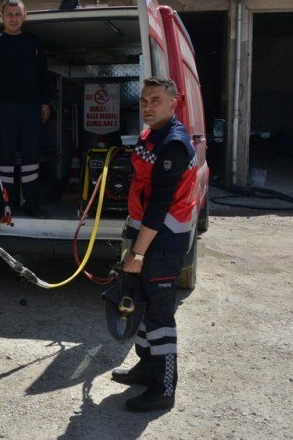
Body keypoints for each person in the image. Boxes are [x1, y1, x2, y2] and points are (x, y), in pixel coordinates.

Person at [111, 76, 198, 412]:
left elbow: (160, 206)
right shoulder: (150, 135)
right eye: (145, 101)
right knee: (143, 304)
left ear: (174, 102)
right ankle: (146, 368)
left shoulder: (173, 145)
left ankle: (163, 388)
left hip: (163, 241)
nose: (148, 107)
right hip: (146, 233)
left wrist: (138, 253)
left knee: (161, 316)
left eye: (156, 100)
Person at [0, 0, 50, 217]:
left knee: (31, 157)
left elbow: (43, 76)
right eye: (9, 14)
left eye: (18, 14)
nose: (14, 19)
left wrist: (46, 102)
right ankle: (4, 205)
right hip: (4, 109)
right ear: (2, 17)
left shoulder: (34, 42)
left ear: (24, 16)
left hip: (32, 108)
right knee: (5, 158)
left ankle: (31, 204)